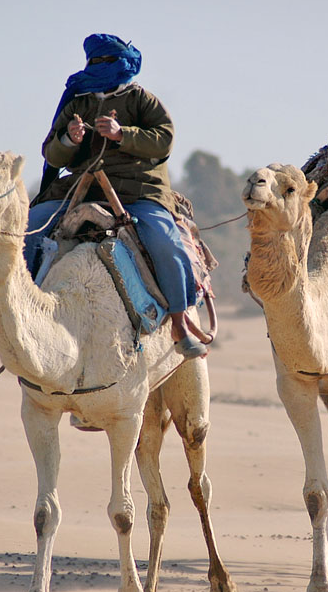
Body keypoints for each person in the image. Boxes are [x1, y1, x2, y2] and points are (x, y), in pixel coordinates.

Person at [26, 33, 206, 359]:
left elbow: (163, 140)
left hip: (137, 190)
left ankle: (179, 321)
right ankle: (20, 308)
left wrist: (123, 134)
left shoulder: (142, 100)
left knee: (165, 241)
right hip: (81, 188)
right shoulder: (77, 103)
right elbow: (53, 156)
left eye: (106, 62)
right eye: (95, 62)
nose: (99, 67)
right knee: (32, 226)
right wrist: (69, 139)